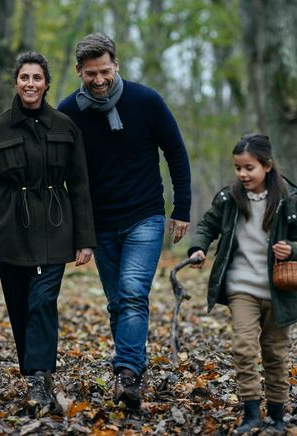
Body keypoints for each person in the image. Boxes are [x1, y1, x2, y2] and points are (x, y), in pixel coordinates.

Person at [0, 51, 95, 412]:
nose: (30, 84)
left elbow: (79, 187)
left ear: (46, 84)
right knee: (19, 306)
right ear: (15, 82)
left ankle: (38, 378)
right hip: (8, 230)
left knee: (42, 302)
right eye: (24, 78)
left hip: (55, 228)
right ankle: (33, 373)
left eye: (37, 78)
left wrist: (84, 239)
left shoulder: (65, 127)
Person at [57, 33, 191, 410]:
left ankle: (127, 373)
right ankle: (131, 366)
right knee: (117, 303)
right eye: (90, 74)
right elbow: (60, 172)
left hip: (144, 216)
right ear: (79, 72)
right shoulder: (69, 112)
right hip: (101, 224)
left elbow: (176, 152)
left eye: (104, 71)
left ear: (116, 65)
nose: (99, 81)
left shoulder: (146, 101)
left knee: (133, 293)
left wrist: (181, 208)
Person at [188, 134, 297, 433]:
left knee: (274, 352)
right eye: (238, 168)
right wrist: (198, 247)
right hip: (240, 287)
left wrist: (294, 249)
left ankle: (277, 416)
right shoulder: (229, 198)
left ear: (267, 166)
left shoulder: (289, 199)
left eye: (249, 168)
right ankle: (251, 414)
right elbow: (207, 225)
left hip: (279, 290)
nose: (243, 174)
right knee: (244, 348)